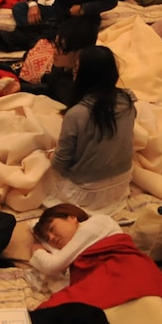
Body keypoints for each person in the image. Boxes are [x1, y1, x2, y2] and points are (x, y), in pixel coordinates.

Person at [46, 46, 136, 212]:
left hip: (87, 191)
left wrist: (49, 155)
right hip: (122, 182)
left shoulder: (77, 114)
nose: (73, 71)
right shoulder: (128, 99)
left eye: (77, 68)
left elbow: (60, 163)